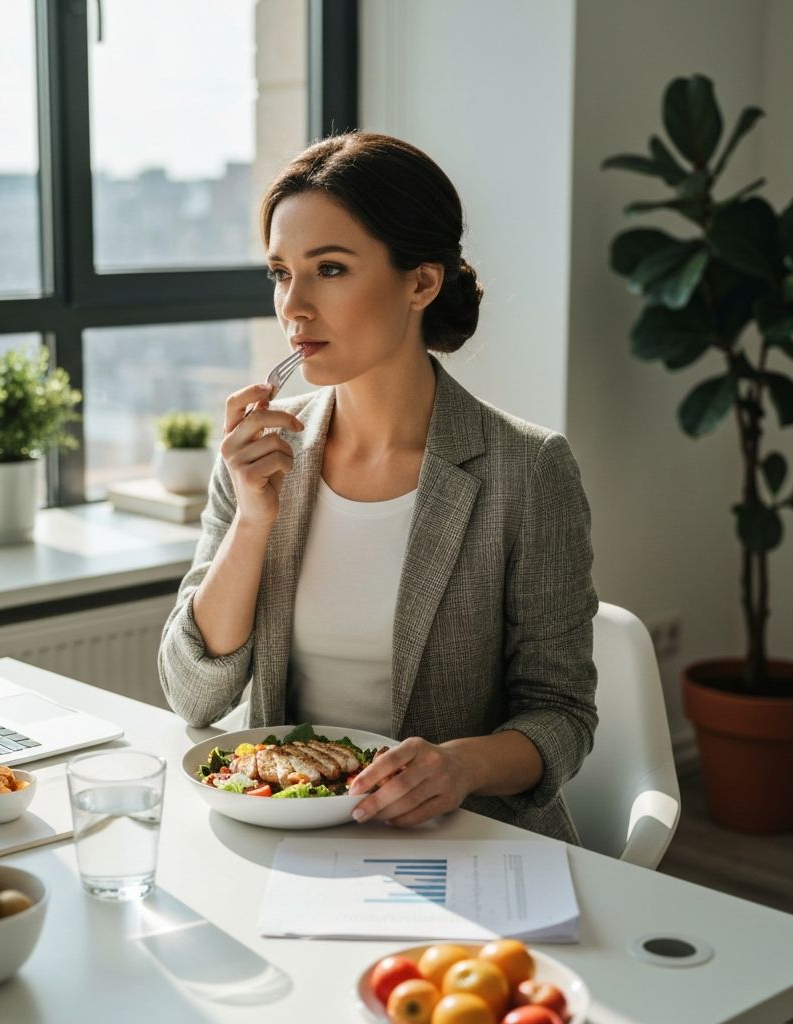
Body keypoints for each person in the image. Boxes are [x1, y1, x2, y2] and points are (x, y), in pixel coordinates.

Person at [158, 132, 597, 843]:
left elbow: (562, 713)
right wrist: (251, 520)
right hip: (288, 832)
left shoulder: (528, 469)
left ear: (421, 283)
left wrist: (460, 766)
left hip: (456, 842)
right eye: (279, 273)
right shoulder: (261, 455)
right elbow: (193, 693)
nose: (293, 307)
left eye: (329, 269)